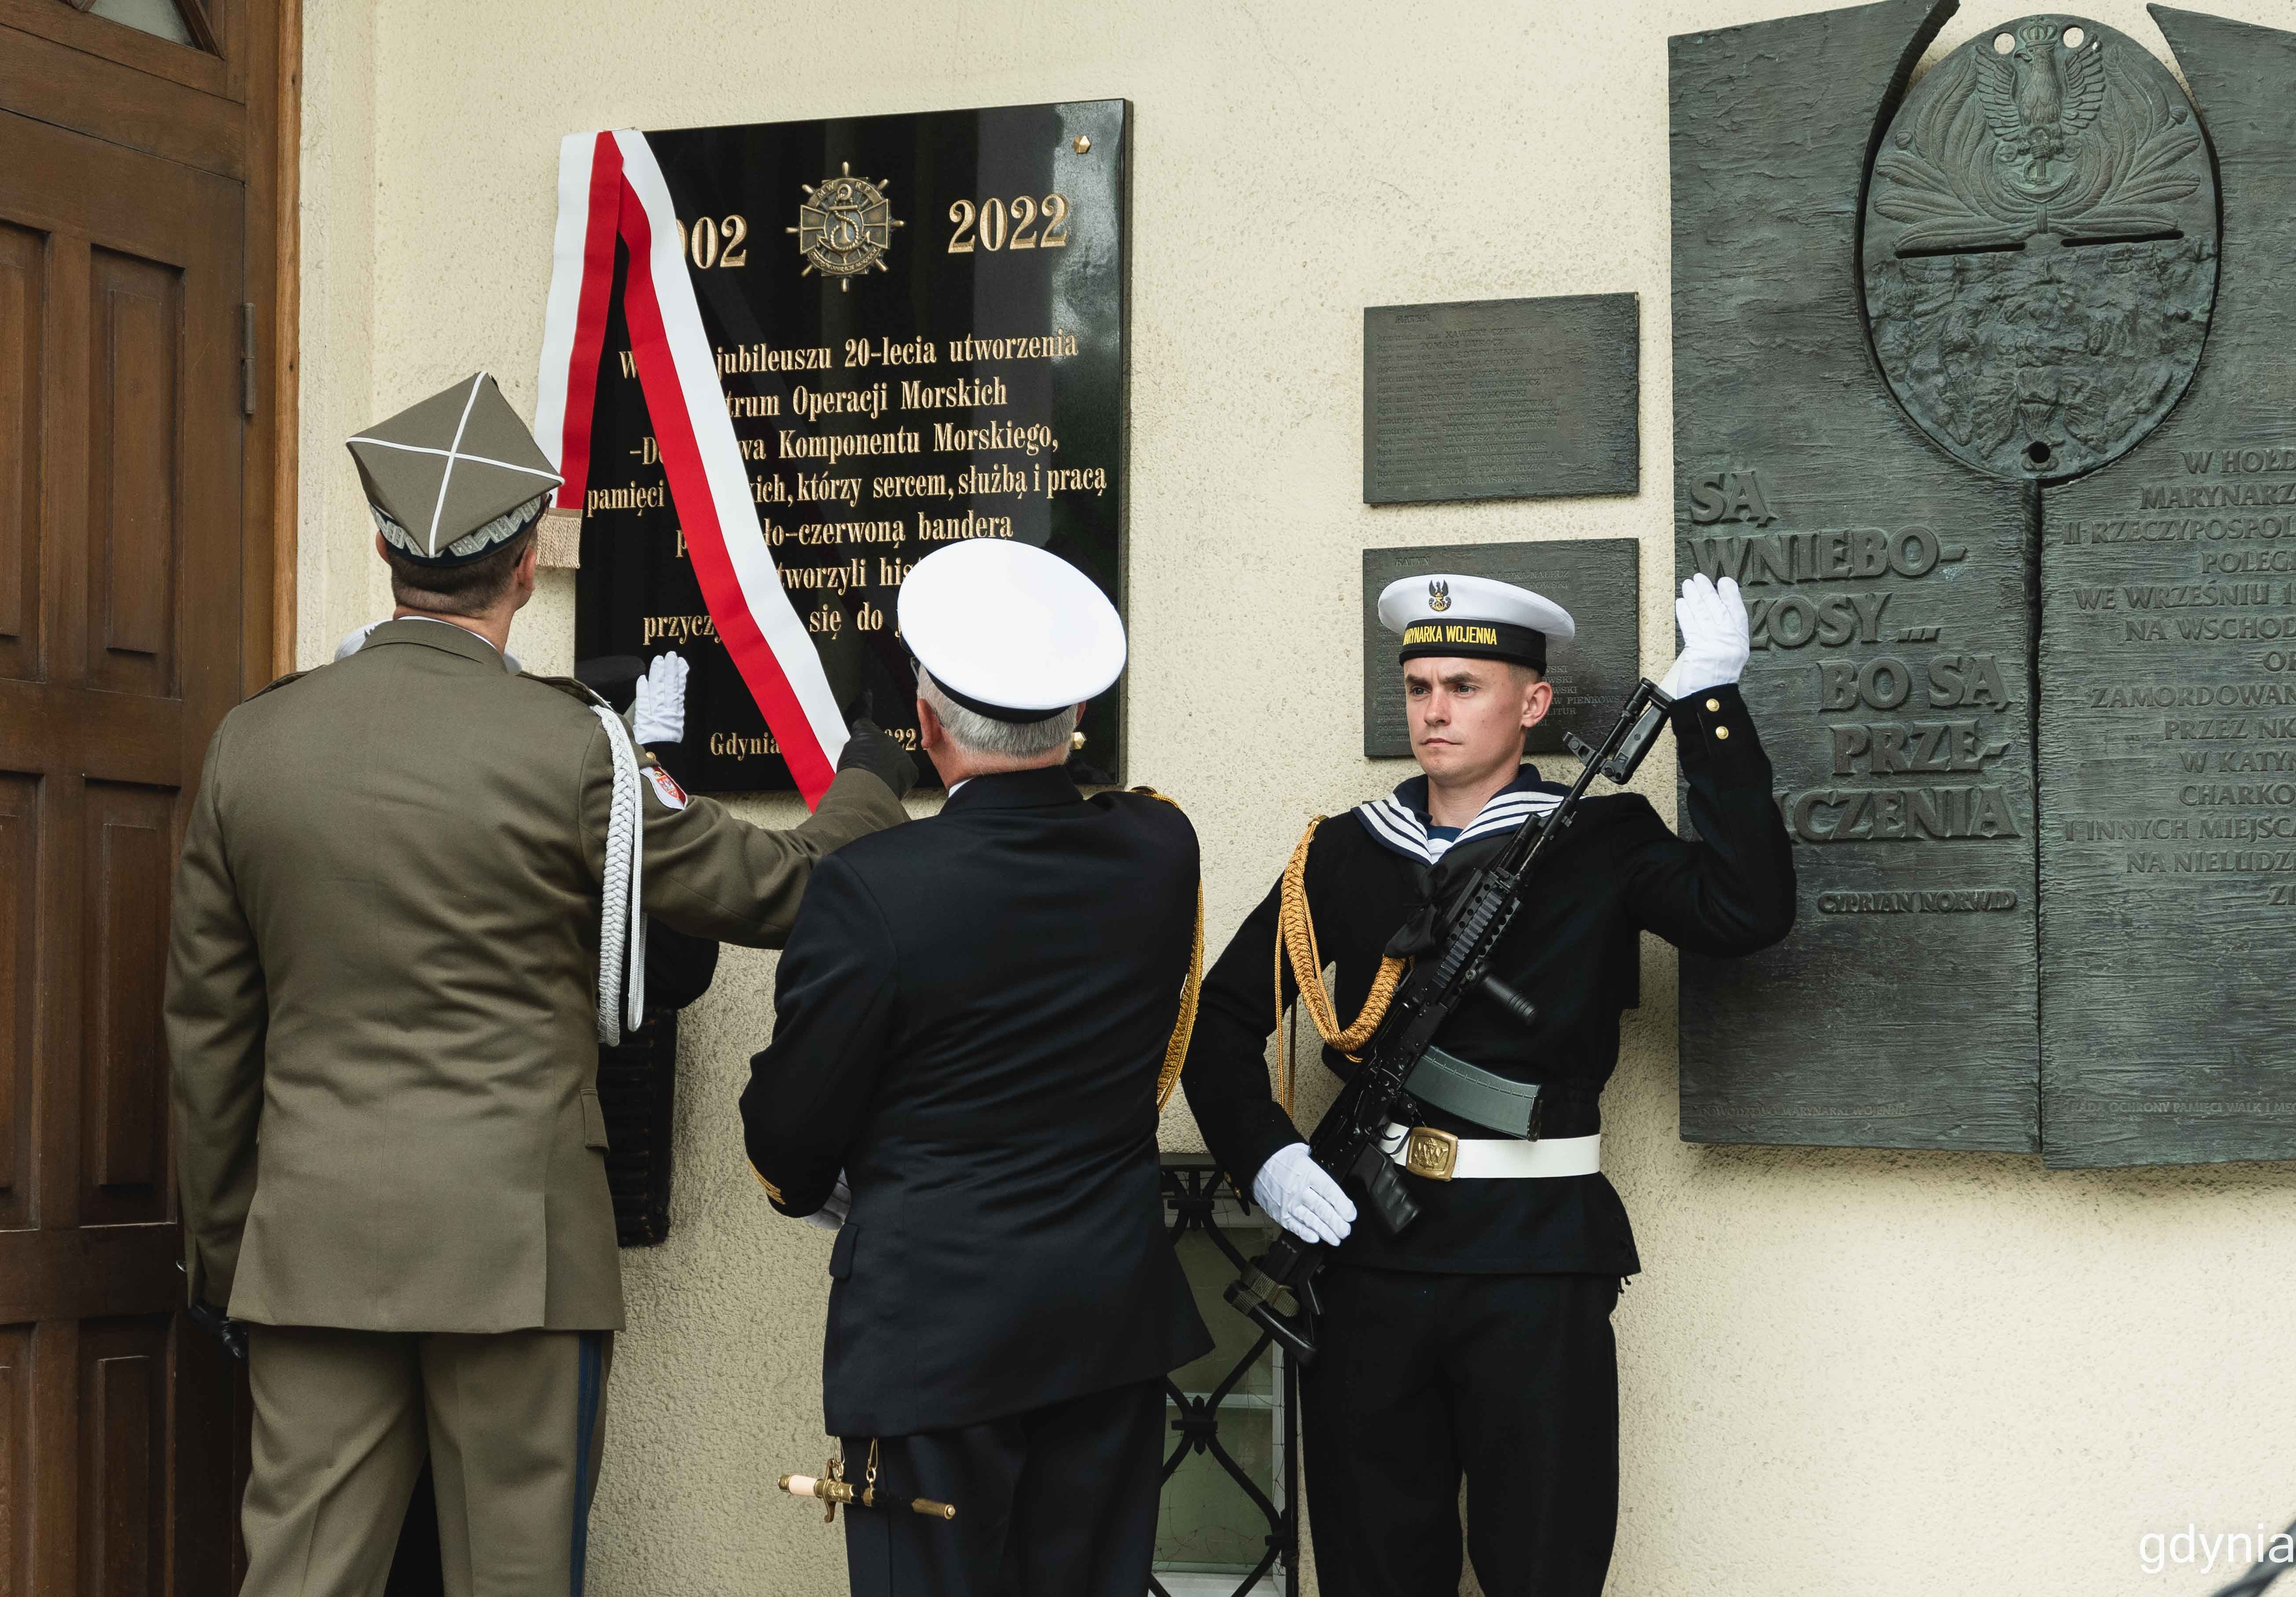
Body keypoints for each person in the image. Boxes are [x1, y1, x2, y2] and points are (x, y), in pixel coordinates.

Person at [166, 370, 918, 1597]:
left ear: (384, 550)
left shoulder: (256, 741)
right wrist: (876, 762)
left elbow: (207, 1035)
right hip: (520, 1248)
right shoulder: (575, 746)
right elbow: (791, 889)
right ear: (524, 565)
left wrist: (220, 1256)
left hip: (311, 1242)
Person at [1179, 570, 1795, 1596]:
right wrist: (1270, 1158)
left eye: (1464, 685)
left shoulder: (1598, 841)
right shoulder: (1343, 851)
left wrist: (1710, 709)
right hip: (1368, 1257)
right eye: (1418, 685)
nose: (1432, 709)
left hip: (1534, 1257)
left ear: (1533, 703)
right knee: (1376, 1566)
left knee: (1542, 1563)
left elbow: (1747, 912)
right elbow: (1218, 1022)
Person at [740, 537, 1211, 1597]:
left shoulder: (871, 889)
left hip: (933, 1339)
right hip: (1105, 1320)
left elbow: (789, 1141)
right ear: (1075, 720)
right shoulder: (1156, 849)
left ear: (925, 724)